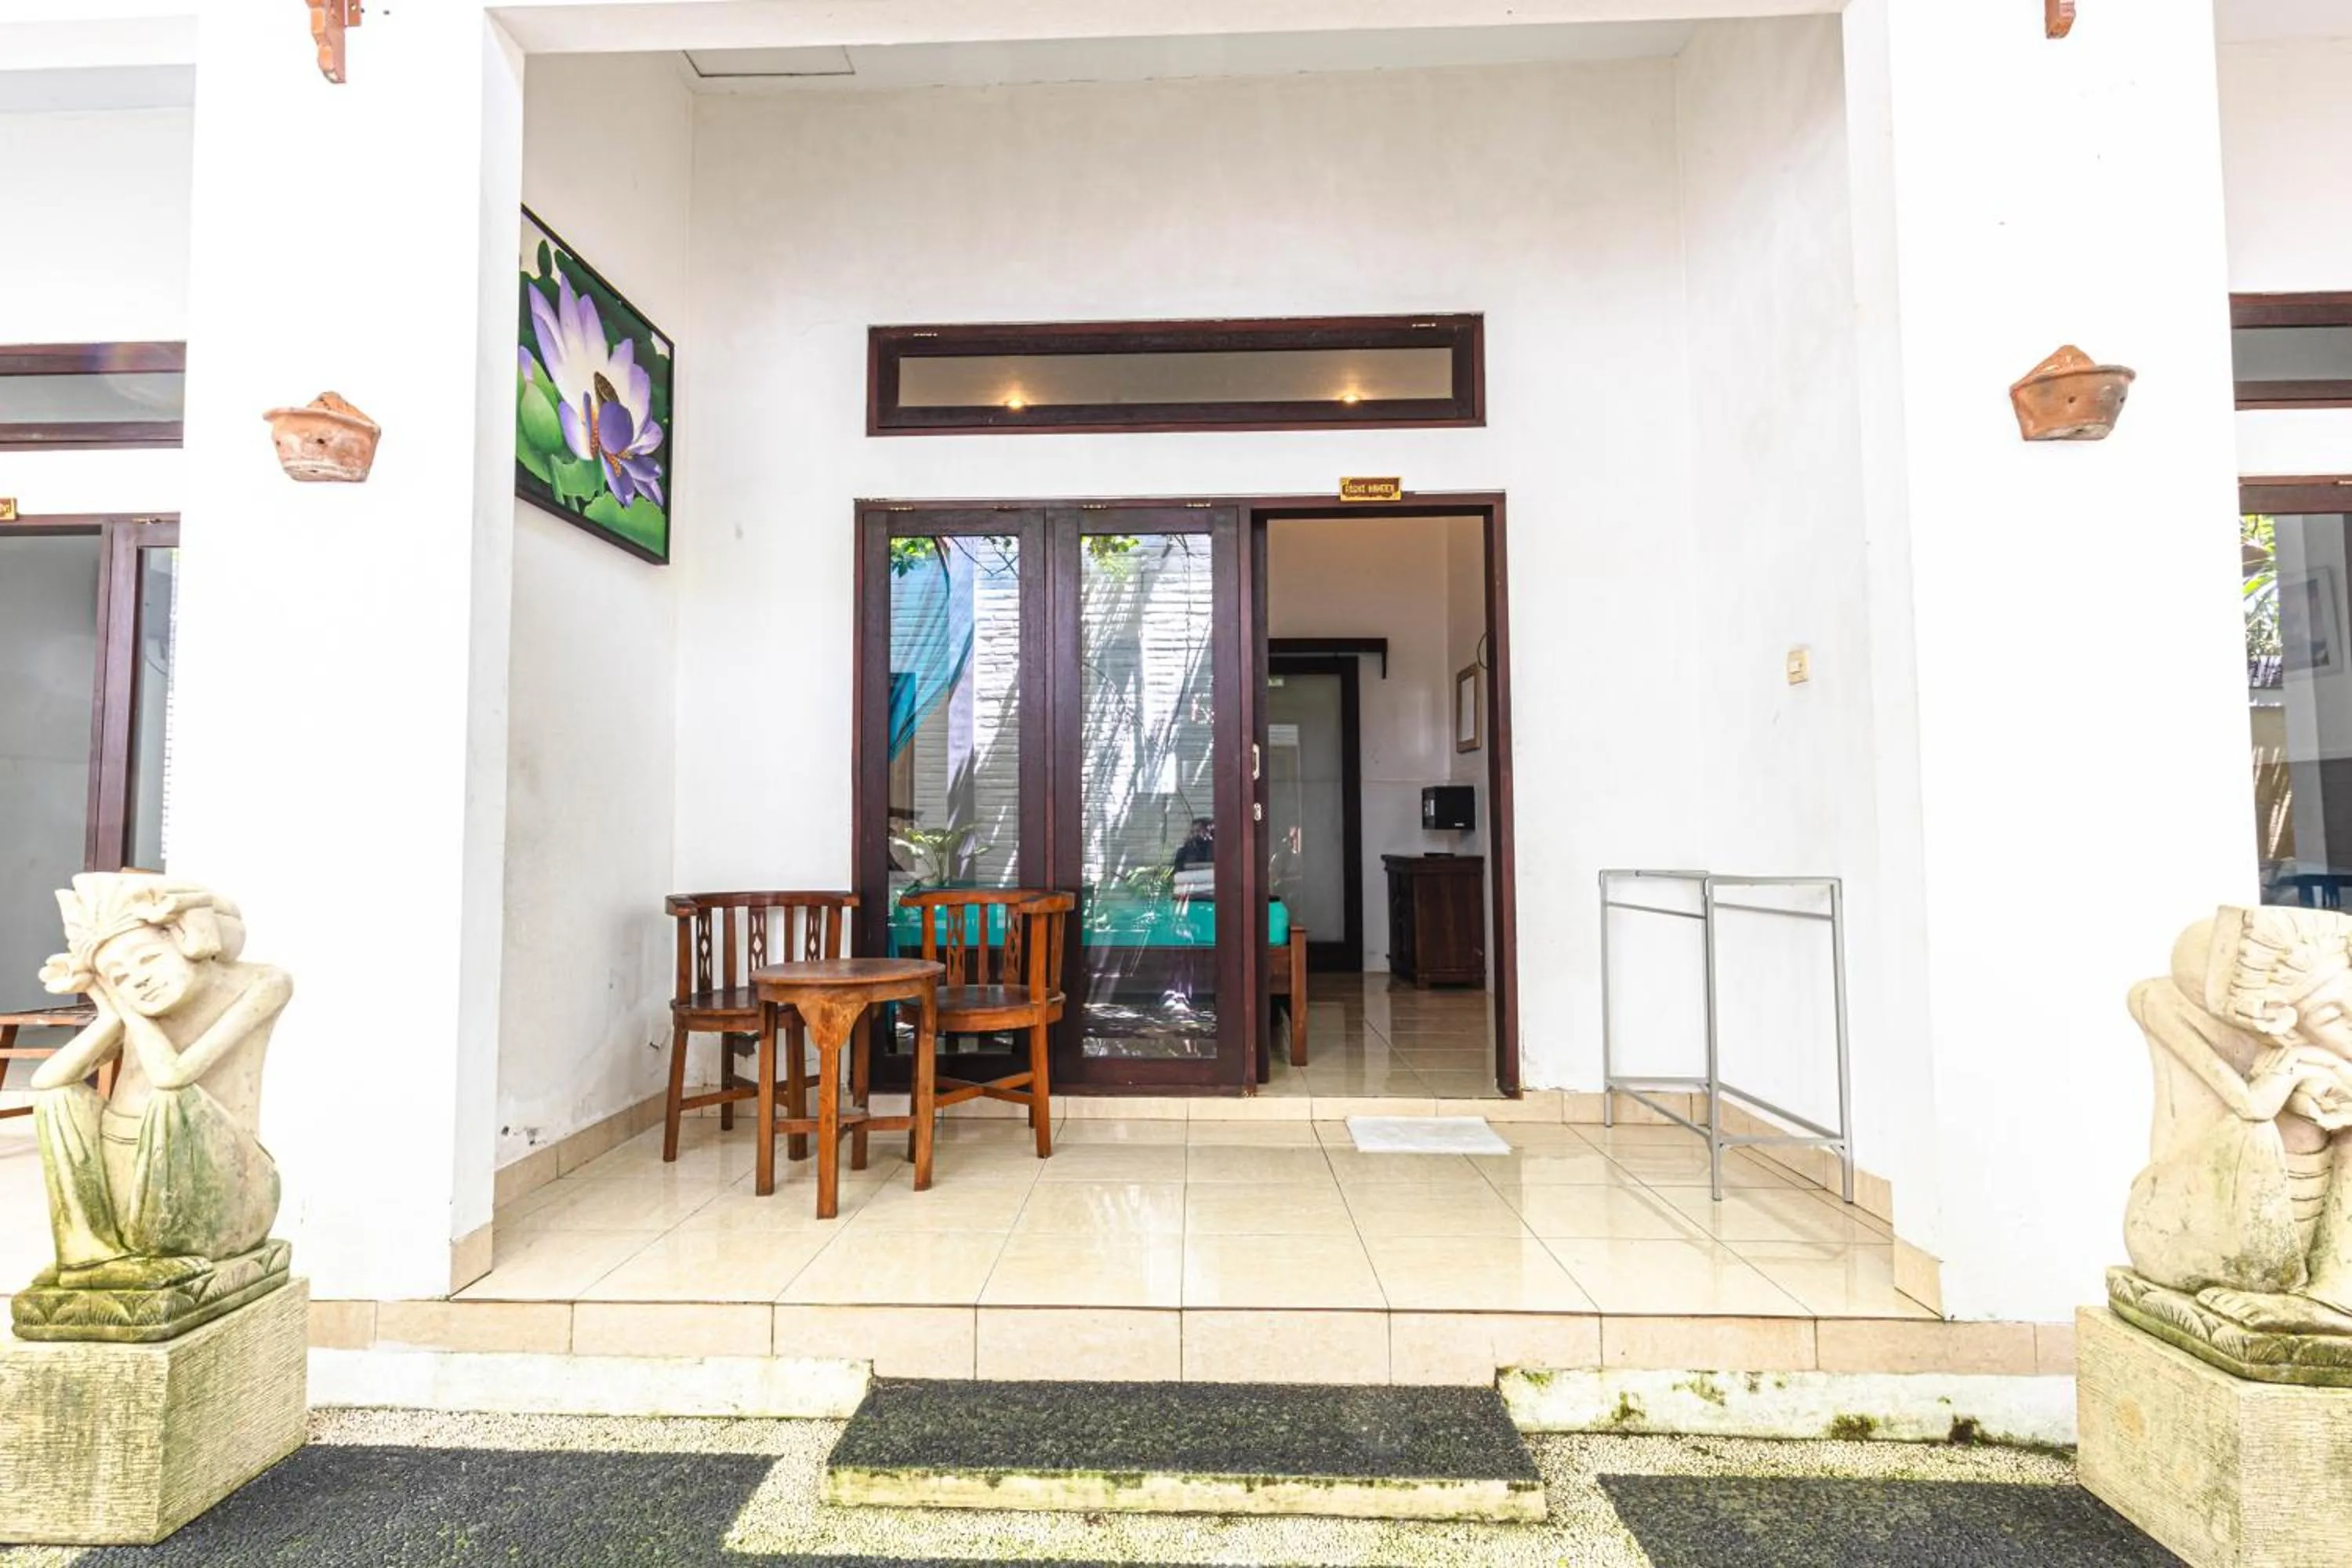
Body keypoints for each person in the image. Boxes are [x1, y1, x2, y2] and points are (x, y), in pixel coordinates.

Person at [27, 874, 292, 1287]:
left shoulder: (261, 983)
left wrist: (131, 1013)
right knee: (58, 1100)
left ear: (188, 941)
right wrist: (111, 1014)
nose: (139, 979)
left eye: (148, 959)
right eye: (119, 977)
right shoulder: (132, 1006)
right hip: (127, 1187)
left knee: (169, 1098)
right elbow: (47, 1083)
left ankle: (161, 1253)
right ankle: (90, 1255)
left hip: (231, 1187)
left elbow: (172, 1076)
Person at [2124, 905, 2352, 1332]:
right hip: (2188, 1219)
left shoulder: (2319, 1053)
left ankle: (2336, 1294)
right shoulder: (2162, 1004)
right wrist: (2292, 1073)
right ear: (2278, 1021)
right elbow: (2253, 1107)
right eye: (2332, 1014)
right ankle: (2335, 1297)